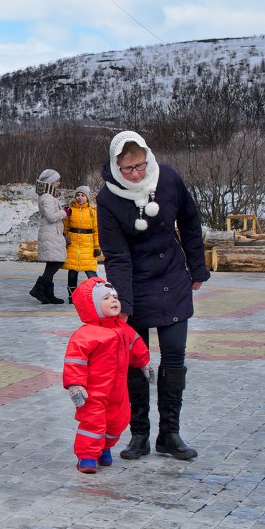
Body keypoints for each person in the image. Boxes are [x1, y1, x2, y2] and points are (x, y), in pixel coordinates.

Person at [97, 130, 210, 461]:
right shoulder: (108, 199)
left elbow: (190, 221)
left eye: (140, 165)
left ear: (147, 156)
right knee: (136, 362)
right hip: (135, 283)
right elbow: (116, 256)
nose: (136, 173)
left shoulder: (169, 177)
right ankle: (140, 435)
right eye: (128, 168)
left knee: (174, 357)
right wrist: (124, 305)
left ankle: (169, 434)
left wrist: (197, 267)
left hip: (173, 279)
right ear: (116, 165)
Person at [63, 277, 152, 473]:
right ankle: (87, 456)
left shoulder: (123, 329)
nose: (114, 301)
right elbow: (74, 362)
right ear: (92, 305)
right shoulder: (85, 335)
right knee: (92, 423)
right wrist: (74, 385)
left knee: (117, 421)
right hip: (94, 391)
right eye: (106, 298)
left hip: (118, 390)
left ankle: (105, 448)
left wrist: (144, 363)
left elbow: (135, 344)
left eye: (115, 297)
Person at [29, 168, 67, 304]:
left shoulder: (48, 197)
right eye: (57, 180)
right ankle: (38, 289)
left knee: (52, 262)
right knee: (57, 262)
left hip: (52, 232)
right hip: (51, 232)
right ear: (50, 182)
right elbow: (51, 217)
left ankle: (48, 294)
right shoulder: (48, 197)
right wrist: (65, 212)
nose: (59, 183)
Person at [63, 185, 100, 302]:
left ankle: (99, 293)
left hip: (87, 244)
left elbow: (97, 230)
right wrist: (66, 240)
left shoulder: (92, 211)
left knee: (90, 270)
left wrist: (97, 246)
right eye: (78, 195)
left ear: (87, 197)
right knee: (72, 270)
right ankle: (72, 295)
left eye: (83, 195)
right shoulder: (70, 210)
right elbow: (65, 228)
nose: (80, 198)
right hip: (73, 243)